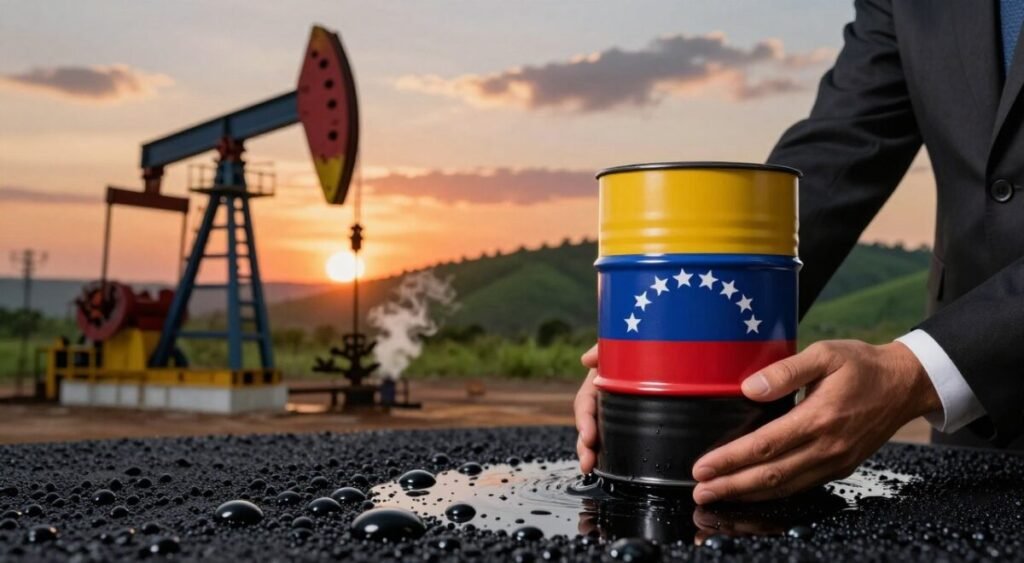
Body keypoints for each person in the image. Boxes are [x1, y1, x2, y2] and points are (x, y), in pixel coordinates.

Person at [575, 0, 1024, 505]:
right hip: (975, 427)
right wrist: (674, 329)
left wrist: (916, 371)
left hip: (953, 377)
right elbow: (845, 145)